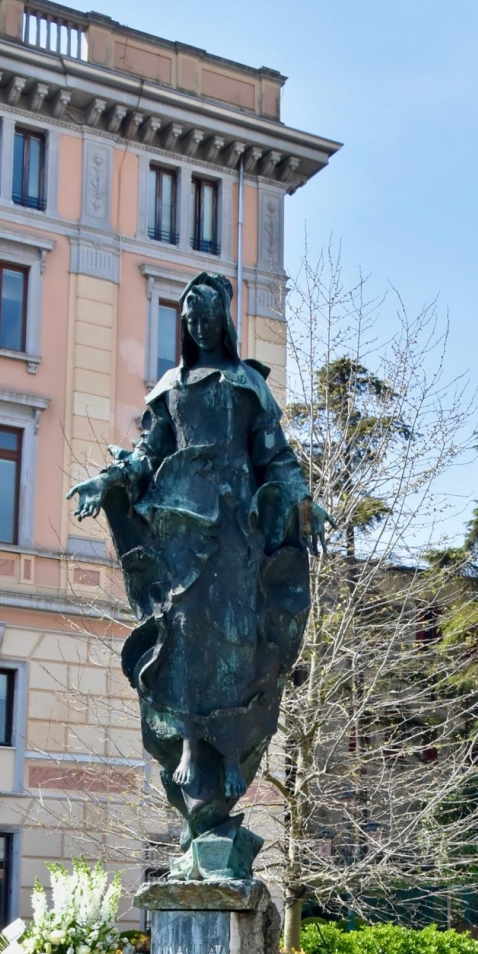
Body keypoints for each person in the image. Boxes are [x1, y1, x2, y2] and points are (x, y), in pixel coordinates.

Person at [67, 272, 328, 878]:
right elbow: (147, 454)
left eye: (204, 312)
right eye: (187, 314)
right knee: (181, 648)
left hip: (235, 534)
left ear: (222, 319)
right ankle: (191, 759)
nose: (194, 321)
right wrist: (109, 481)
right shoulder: (169, 387)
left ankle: (226, 758)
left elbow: (276, 457)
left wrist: (301, 500)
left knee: (235, 652)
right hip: (181, 537)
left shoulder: (244, 387)